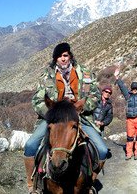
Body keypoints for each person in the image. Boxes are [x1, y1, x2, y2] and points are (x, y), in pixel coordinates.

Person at [23, 42, 107, 192]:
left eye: (65, 55)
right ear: (55, 59)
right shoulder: (46, 76)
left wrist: (80, 108)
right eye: (59, 56)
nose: (63, 59)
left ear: (70, 56)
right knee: (30, 146)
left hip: (78, 116)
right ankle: (32, 184)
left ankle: (89, 182)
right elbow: (37, 100)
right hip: (54, 117)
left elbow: (95, 95)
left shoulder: (86, 74)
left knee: (102, 150)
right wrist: (52, 113)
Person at [114, 67, 137, 160]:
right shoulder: (128, 95)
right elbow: (122, 87)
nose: (134, 89)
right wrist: (117, 78)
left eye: (135, 88)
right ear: (131, 88)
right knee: (129, 137)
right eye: (133, 88)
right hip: (130, 119)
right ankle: (129, 153)